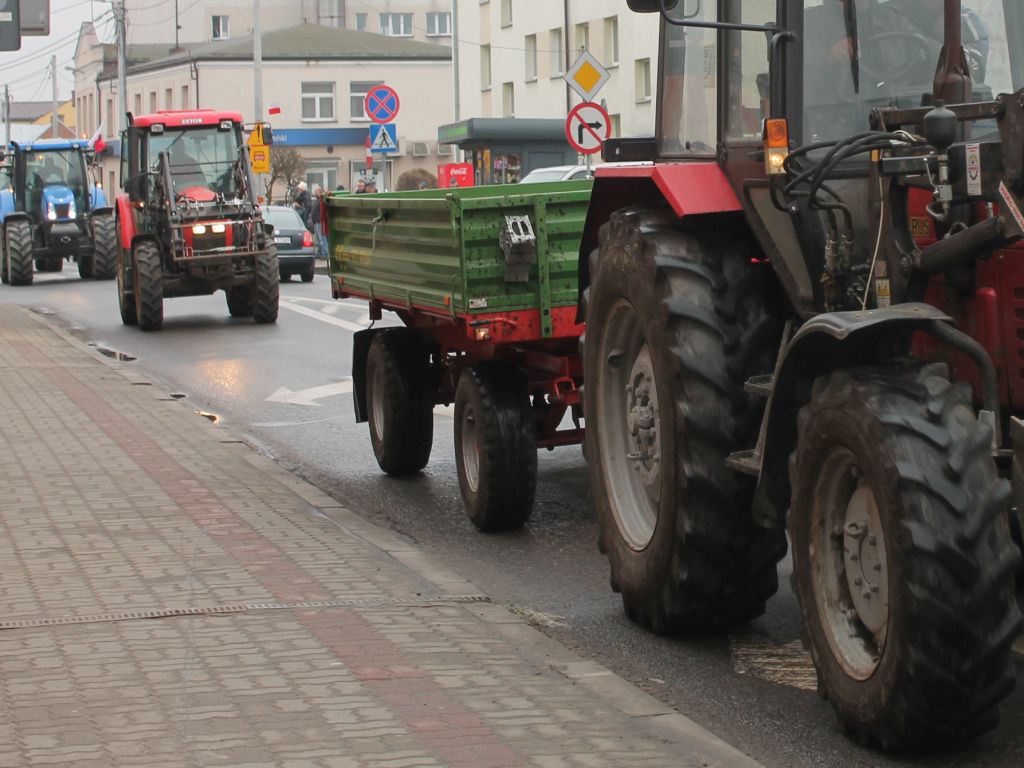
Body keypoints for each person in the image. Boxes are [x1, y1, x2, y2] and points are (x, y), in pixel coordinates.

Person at [310, 185, 327, 258]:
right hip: (316, 221)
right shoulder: (317, 199)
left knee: (321, 238)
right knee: (317, 239)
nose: (314, 192)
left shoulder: (322, 199)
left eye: (315, 191)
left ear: (319, 191)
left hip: (319, 221)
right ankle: (320, 252)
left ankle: (325, 253)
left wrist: (319, 219)